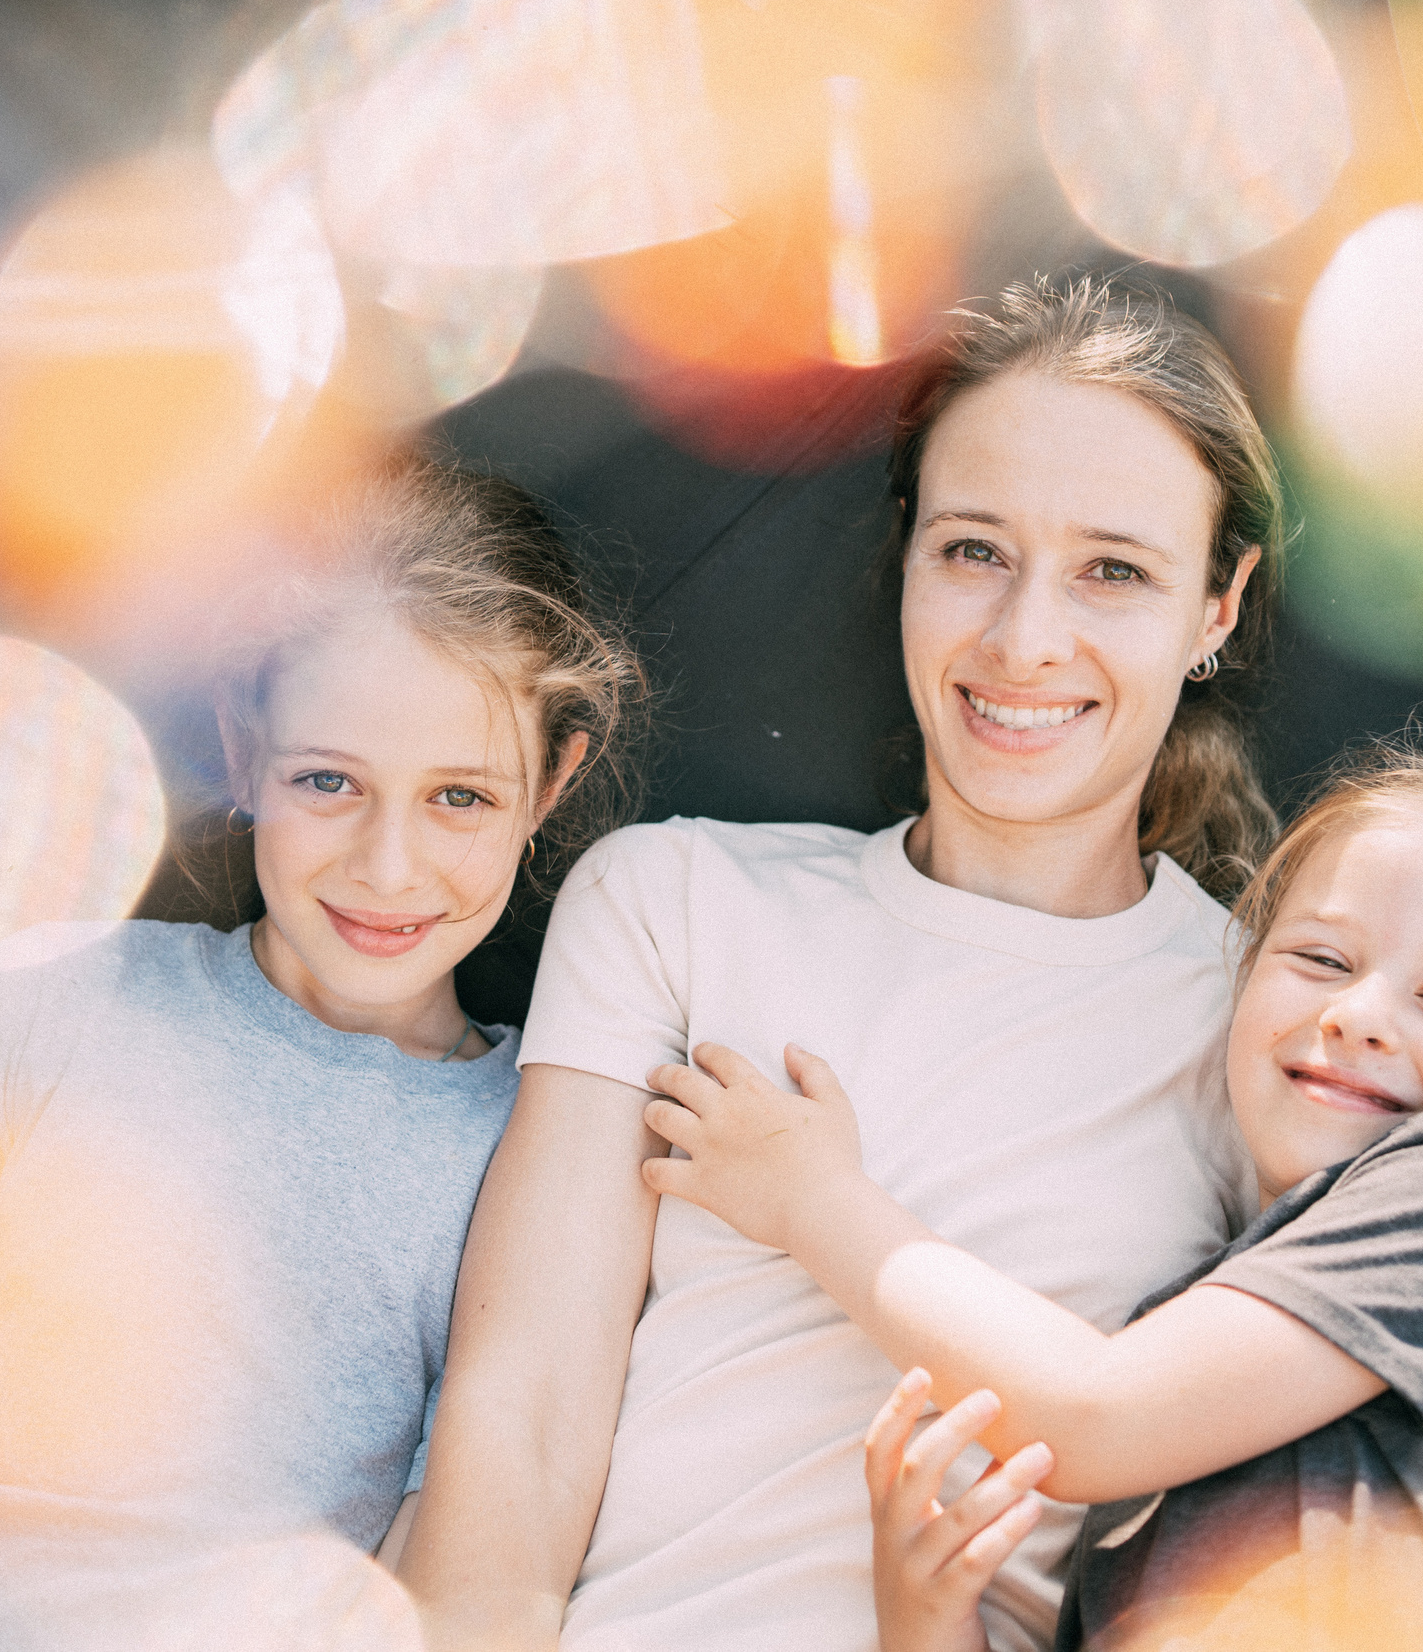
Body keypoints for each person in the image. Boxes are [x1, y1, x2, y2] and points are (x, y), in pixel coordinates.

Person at [0, 461, 646, 1651]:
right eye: (326, 781)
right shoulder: (60, 998)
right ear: (244, 752)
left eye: (458, 797)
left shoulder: (534, 1158)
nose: (388, 867)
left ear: (550, 783)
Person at [403, 271, 1282, 1652]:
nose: (1023, 638)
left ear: (1218, 608)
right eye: (974, 549)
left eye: (1116, 569)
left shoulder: (1270, 1025)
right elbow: (520, 1421)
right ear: (910, 555)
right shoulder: (674, 900)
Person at [642, 733, 1423, 1652]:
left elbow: (1091, 1416)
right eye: (1320, 957)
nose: (1361, 1013)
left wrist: (814, 1199)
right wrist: (927, 1616)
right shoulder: (1183, 1354)